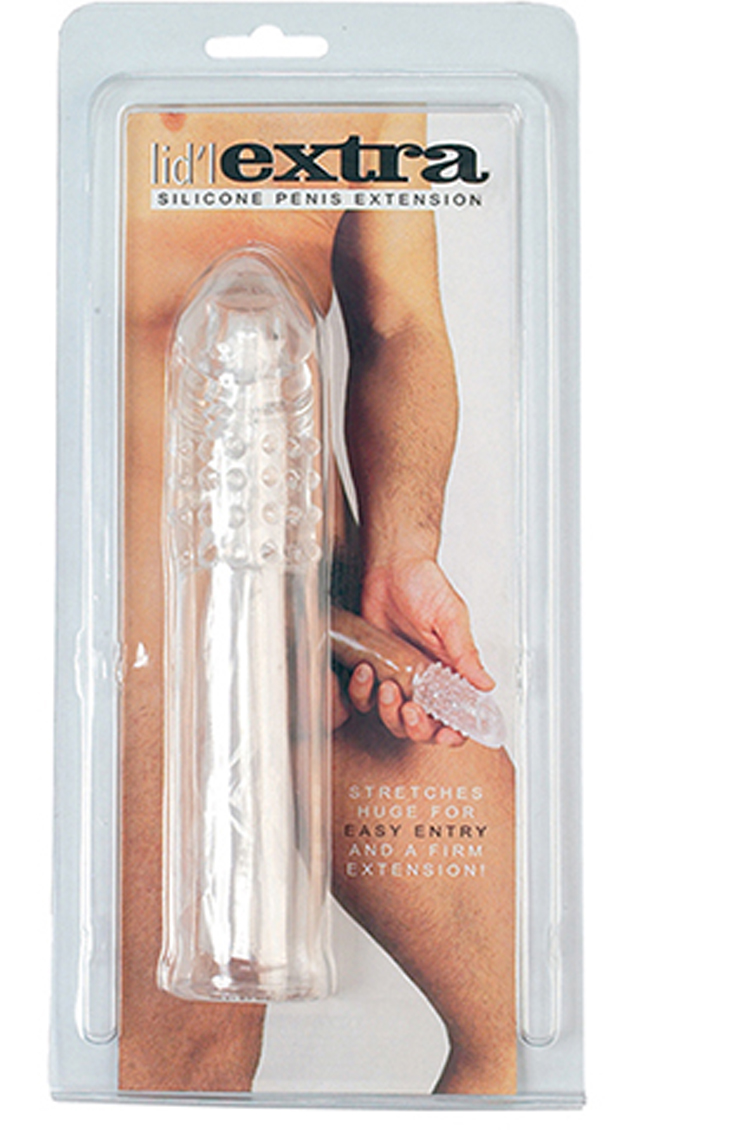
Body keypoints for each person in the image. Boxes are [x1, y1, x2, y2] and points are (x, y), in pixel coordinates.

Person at [119, 109, 515, 1094]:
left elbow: (399, 318)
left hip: (323, 603)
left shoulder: (366, 75)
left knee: (530, 1020)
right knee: (188, 1069)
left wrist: (402, 549)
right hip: (145, 621)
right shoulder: (60, 77)